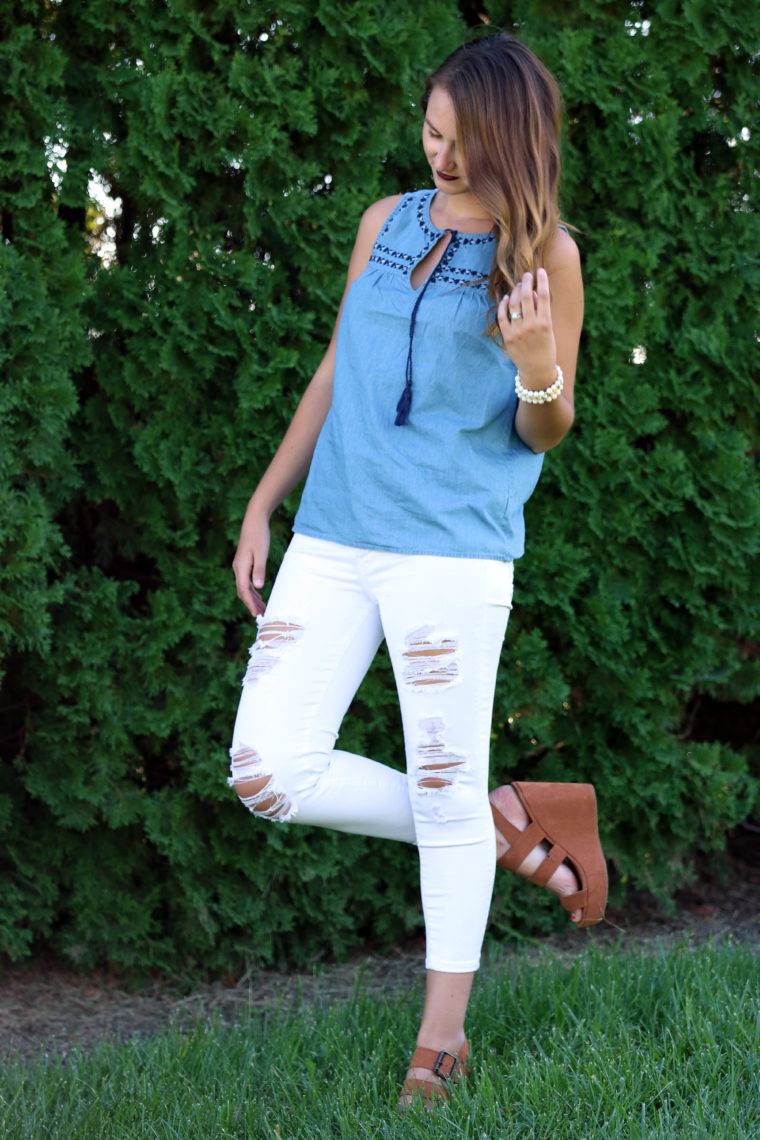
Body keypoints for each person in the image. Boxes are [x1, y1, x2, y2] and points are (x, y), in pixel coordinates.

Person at [229, 32, 607, 1108]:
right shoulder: (383, 224)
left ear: (511, 138)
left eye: (460, 139)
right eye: (430, 133)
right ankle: (499, 816)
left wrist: (538, 371)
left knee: (438, 783)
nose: (438, 156)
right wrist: (266, 500)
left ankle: (440, 1043)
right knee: (266, 768)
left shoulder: (547, 260)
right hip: (335, 538)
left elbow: (548, 428)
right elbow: (340, 368)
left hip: (450, 553)